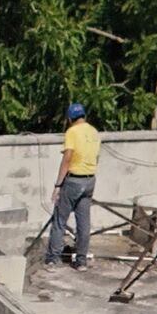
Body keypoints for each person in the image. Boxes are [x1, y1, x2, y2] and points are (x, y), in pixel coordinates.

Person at [46, 102, 102, 268]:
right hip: (90, 180)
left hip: (74, 180)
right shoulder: (94, 132)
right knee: (83, 223)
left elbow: (67, 158)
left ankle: (53, 259)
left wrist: (58, 185)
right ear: (84, 116)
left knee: (59, 220)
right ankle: (81, 261)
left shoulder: (72, 132)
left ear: (70, 119)